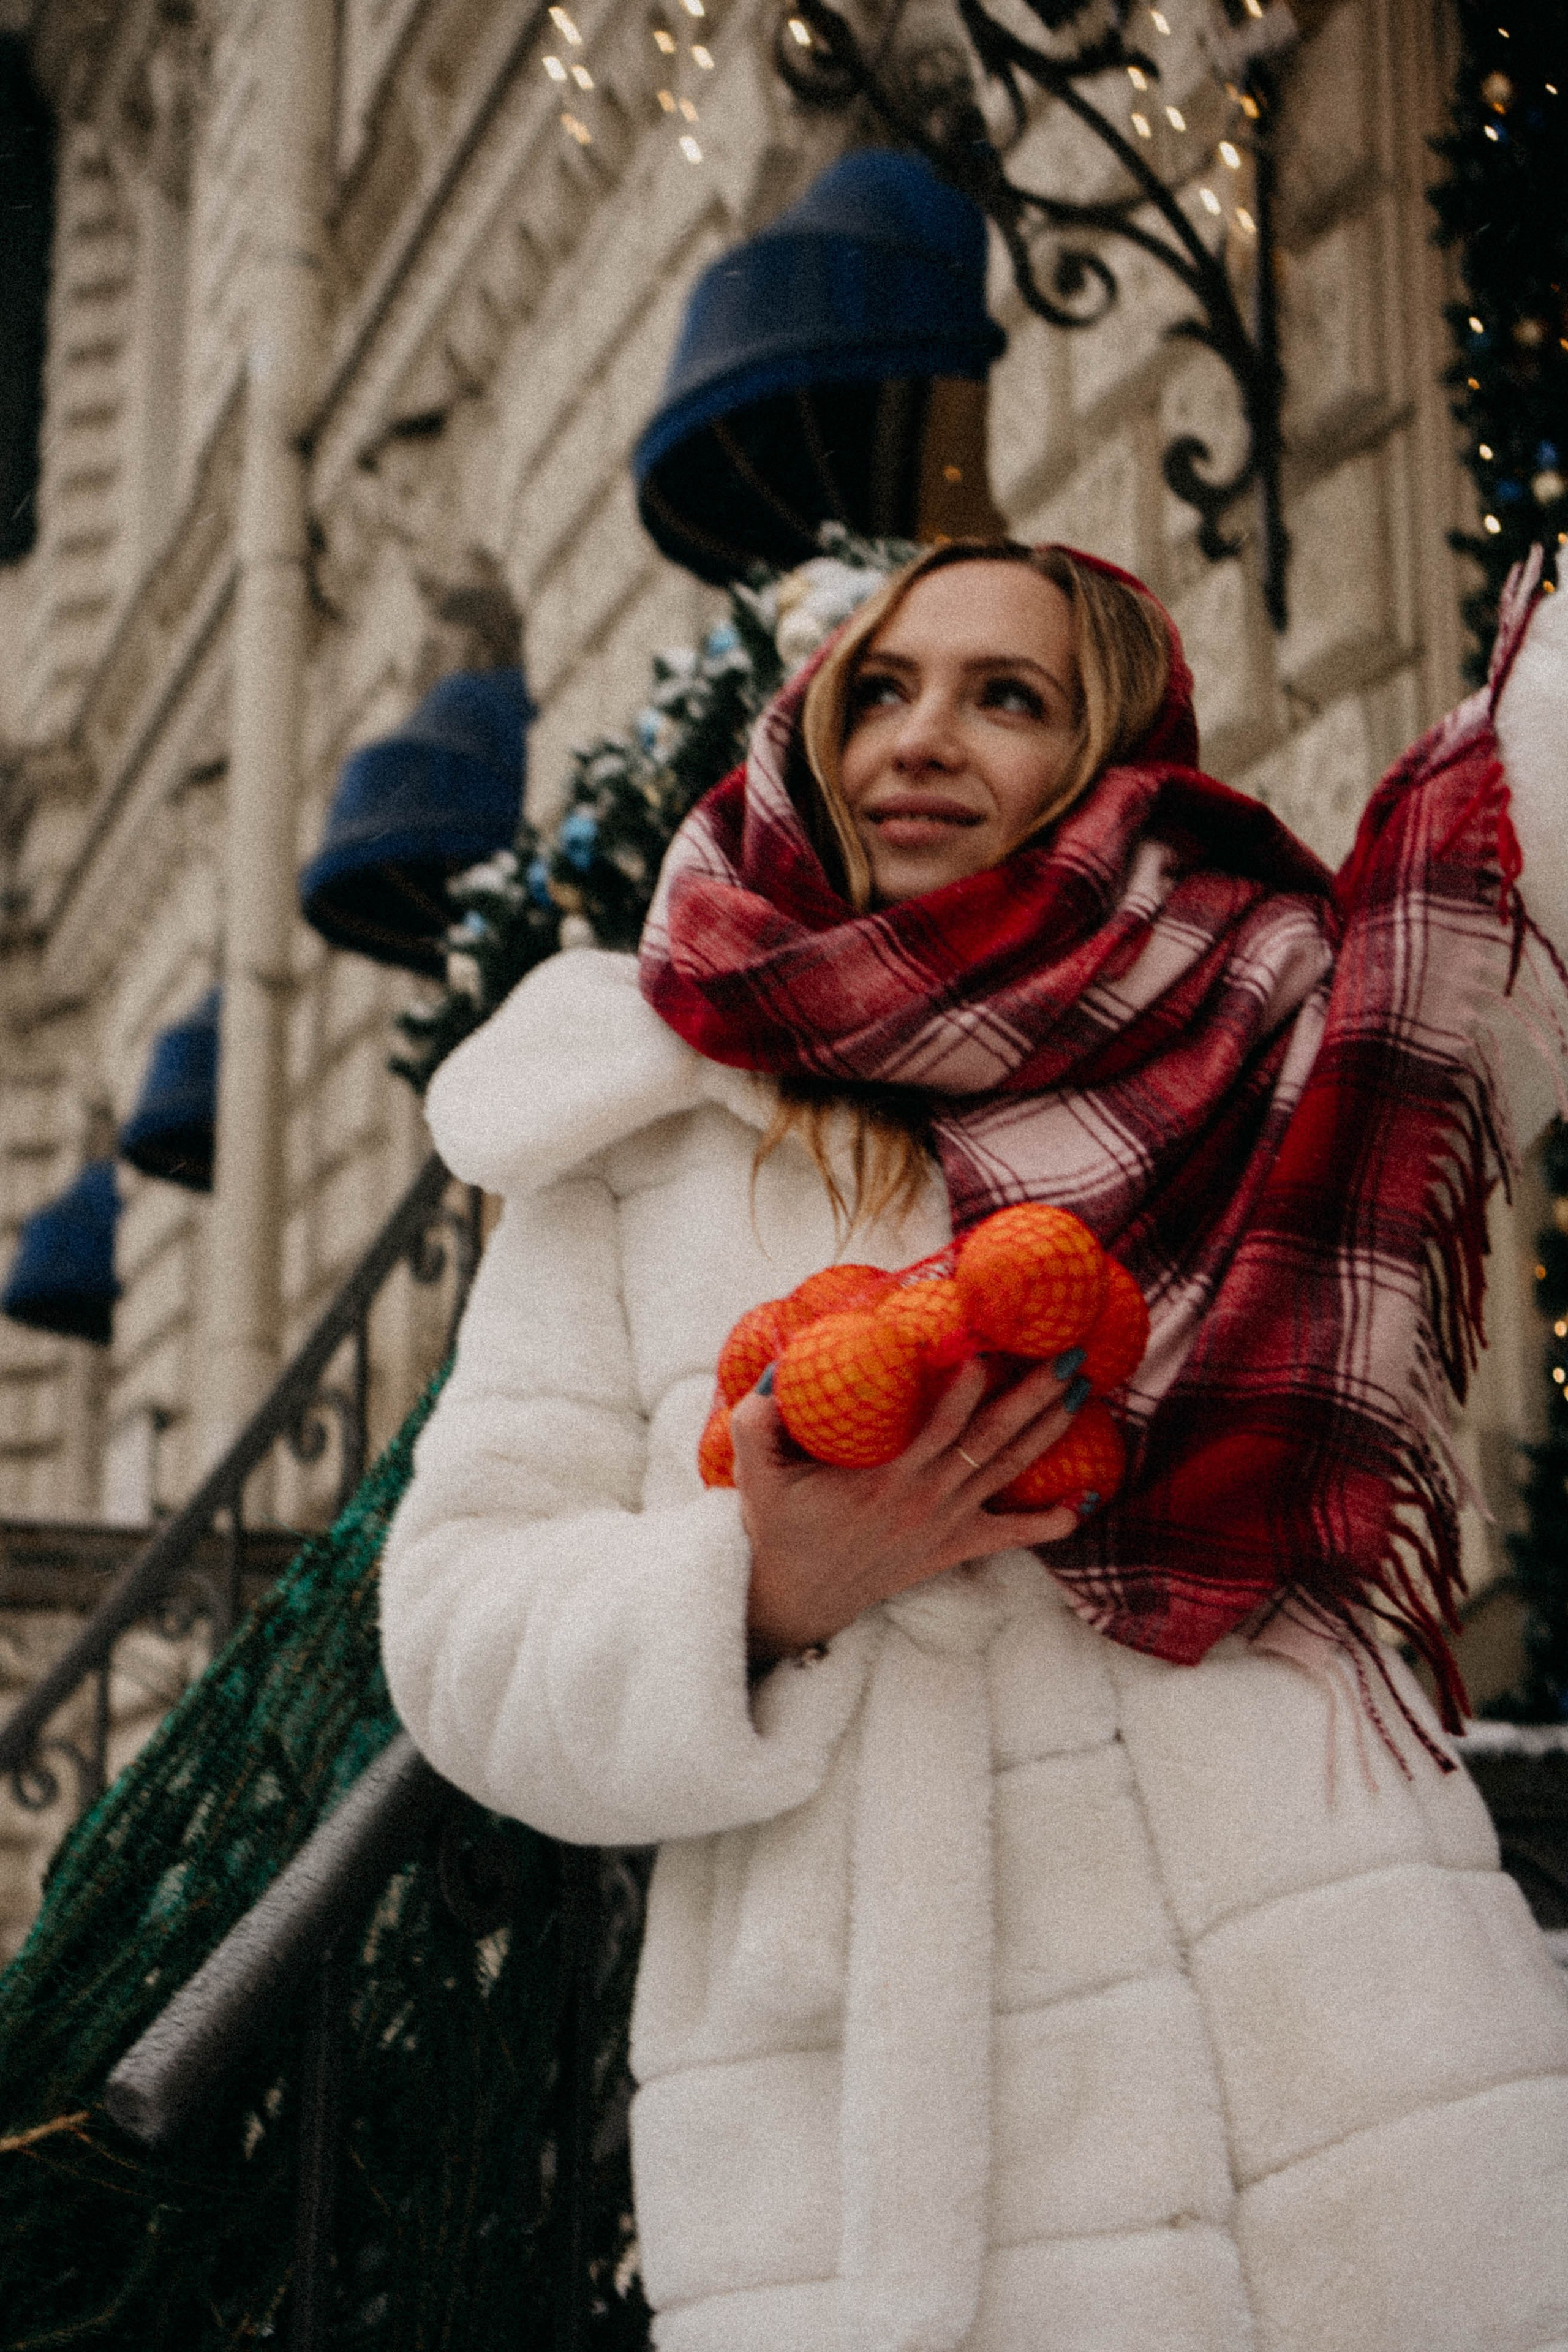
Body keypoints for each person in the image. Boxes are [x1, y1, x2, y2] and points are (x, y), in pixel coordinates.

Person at [380, 540, 1568, 2352]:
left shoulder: (1270, 1021)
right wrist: (756, 1593)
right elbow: (458, 1620)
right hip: (895, 2148)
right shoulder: (641, 1128)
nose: (921, 738)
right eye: (882, 689)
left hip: (1351, 2068)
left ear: (1110, 762)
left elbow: (1523, 887)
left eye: (1007, 696)